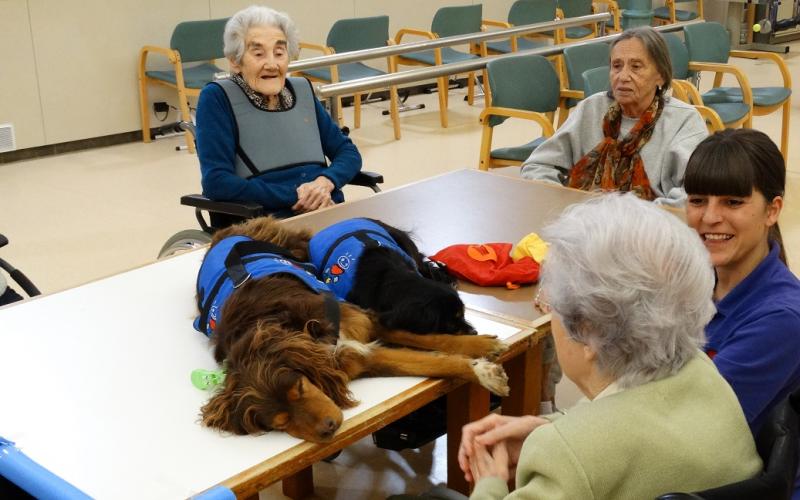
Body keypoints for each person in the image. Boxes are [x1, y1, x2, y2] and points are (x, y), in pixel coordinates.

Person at [394, 194, 761, 500]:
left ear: (587, 332)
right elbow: (638, 433)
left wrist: (489, 483)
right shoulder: (704, 373)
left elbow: (594, 453)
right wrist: (548, 427)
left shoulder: (568, 461)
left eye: (547, 301)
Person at [685, 129, 800, 438]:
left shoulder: (782, 319)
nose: (709, 217)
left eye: (732, 202)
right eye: (697, 200)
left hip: (730, 480)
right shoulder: (691, 284)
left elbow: (687, 425)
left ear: (772, 210)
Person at [195, 5, 362, 220]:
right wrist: (296, 196)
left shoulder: (302, 90)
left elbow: (347, 153)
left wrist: (325, 182)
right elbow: (216, 181)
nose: (272, 64)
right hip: (262, 224)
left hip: (326, 210)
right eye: (258, 53)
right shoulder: (218, 98)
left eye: (279, 52)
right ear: (235, 61)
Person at [521, 27, 707, 207]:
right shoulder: (592, 109)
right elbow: (538, 166)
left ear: (660, 76)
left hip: (652, 229)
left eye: (636, 67)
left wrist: (636, 216)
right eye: (617, 66)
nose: (623, 76)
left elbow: (697, 192)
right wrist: (566, 202)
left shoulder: (683, 122)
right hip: (583, 221)